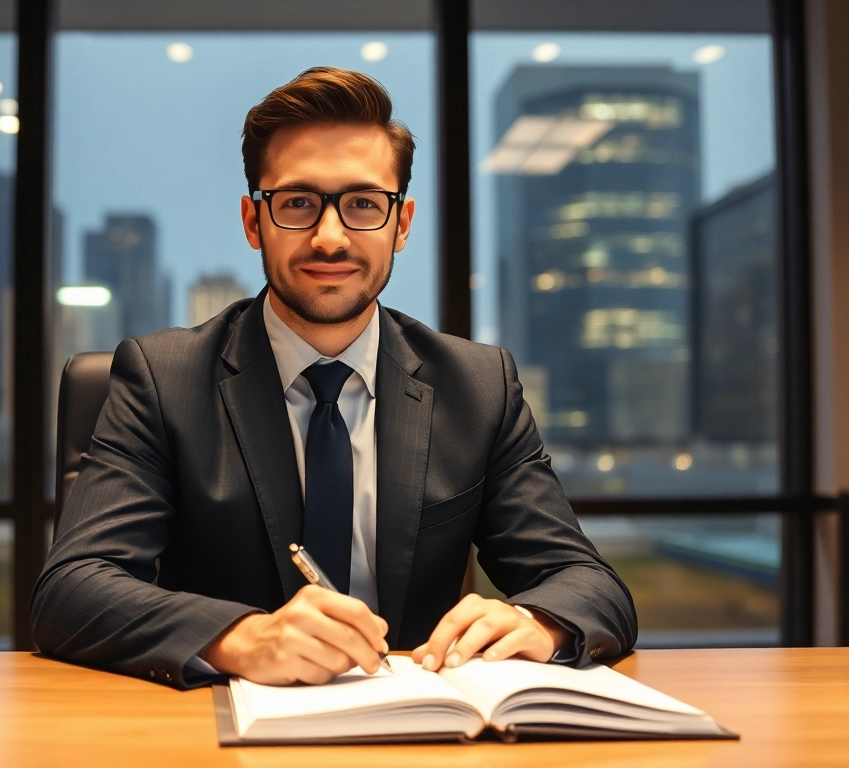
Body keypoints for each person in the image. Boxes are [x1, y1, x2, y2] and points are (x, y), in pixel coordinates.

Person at [31, 67, 636, 689]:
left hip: (423, 725)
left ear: (400, 225)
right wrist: (241, 638)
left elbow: (590, 585)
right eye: (297, 203)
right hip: (220, 731)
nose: (329, 237)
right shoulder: (165, 379)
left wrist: (540, 622)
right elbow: (72, 589)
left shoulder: (479, 386)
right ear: (252, 221)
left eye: (363, 205)